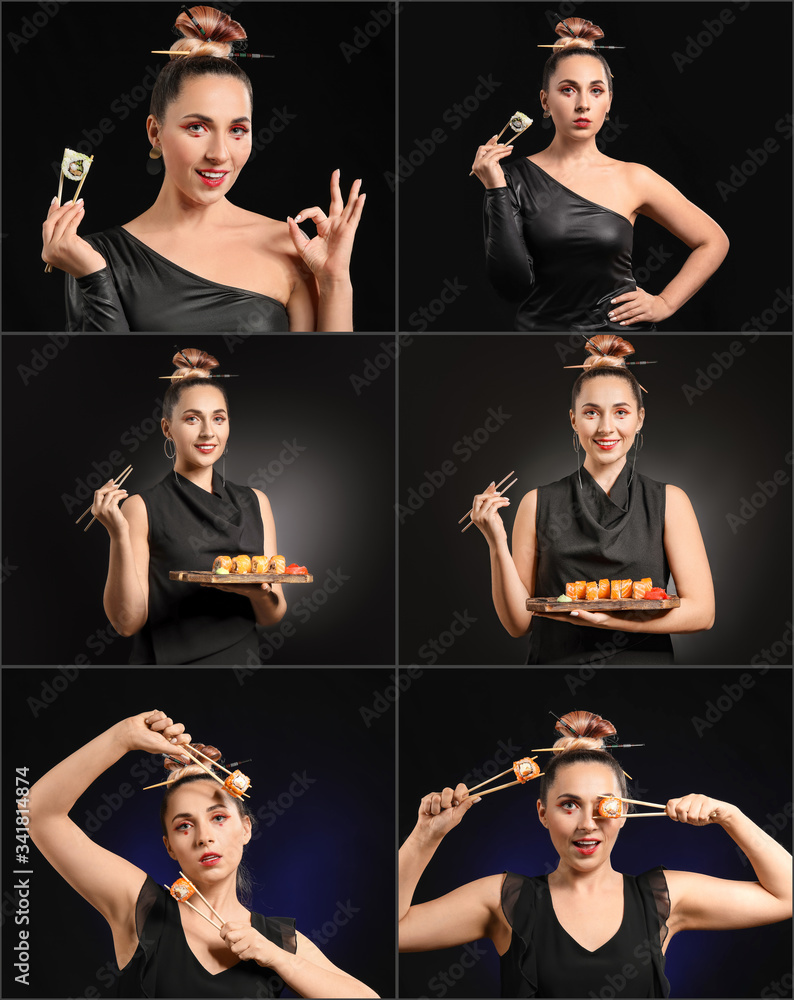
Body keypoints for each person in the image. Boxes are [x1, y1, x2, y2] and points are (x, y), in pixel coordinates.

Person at [399, 710, 792, 998]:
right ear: (543, 814)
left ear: (624, 814)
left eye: (604, 806)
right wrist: (423, 837)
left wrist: (731, 817)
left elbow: (786, 896)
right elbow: (393, 930)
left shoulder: (663, 898)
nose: (587, 823)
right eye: (569, 805)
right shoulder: (505, 900)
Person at [41, 5, 364, 333]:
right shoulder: (94, 256)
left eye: (237, 130)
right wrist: (94, 277)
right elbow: (104, 380)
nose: (220, 154)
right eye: (197, 127)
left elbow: (326, 378)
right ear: (155, 133)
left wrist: (336, 281)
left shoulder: (291, 246)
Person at [23, 709, 378, 998]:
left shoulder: (276, 939)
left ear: (246, 829)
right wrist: (123, 736)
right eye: (184, 825)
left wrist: (278, 959)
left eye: (219, 817)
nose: (204, 837)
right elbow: (36, 813)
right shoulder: (142, 908)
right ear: (169, 847)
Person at [471, 16, 729, 331]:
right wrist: (496, 188)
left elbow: (713, 240)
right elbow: (511, 285)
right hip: (538, 346)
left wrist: (665, 302)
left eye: (596, 90)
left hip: (620, 344)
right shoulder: (509, 178)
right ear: (545, 101)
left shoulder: (635, 178)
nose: (583, 105)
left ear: (609, 102)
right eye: (568, 90)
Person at [469, 334, 714, 664]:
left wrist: (609, 620)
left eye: (621, 412)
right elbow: (518, 624)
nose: (606, 428)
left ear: (640, 419)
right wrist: (495, 540)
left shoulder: (670, 501)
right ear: (573, 419)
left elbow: (703, 613)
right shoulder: (536, 503)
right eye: (591, 413)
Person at [92, 348, 286, 665]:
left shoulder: (257, 501)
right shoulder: (141, 507)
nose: (208, 432)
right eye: (192, 418)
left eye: (218, 419)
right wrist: (117, 534)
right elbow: (126, 624)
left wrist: (258, 593)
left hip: (242, 664)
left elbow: (271, 615)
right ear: (167, 428)